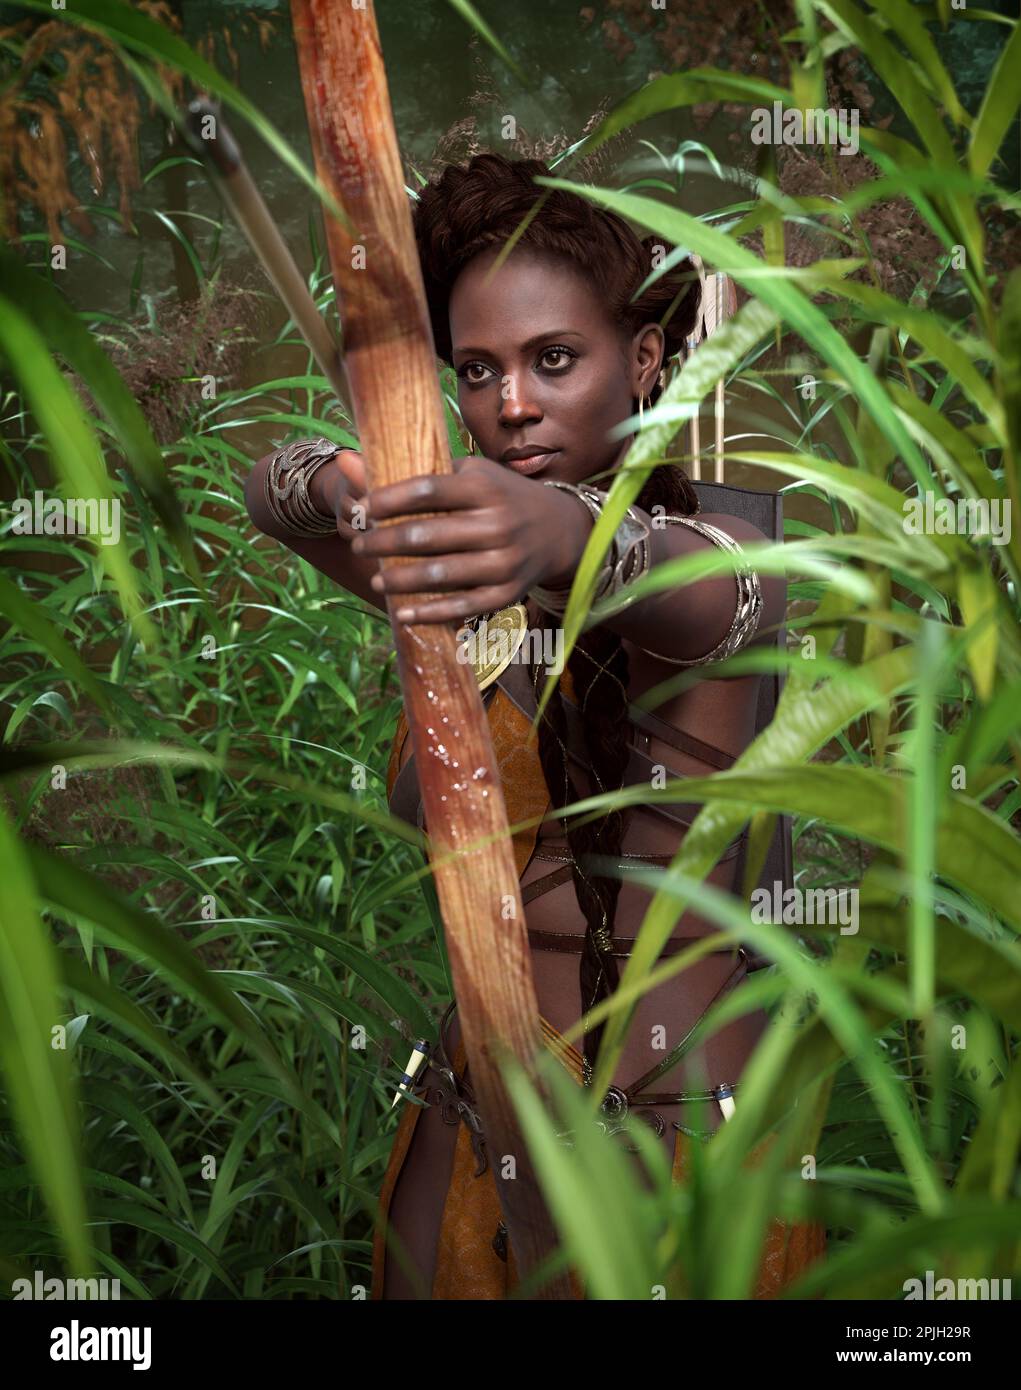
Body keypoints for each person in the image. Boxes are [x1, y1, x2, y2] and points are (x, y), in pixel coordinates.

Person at [244, 152, 826, 1299]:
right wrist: (353, 486)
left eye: (554, 360)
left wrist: (556, 535)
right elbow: (271, 488)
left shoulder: (720, 554)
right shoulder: (462, 561)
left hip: (674, 1153)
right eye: (477, 370)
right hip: (475, 1127)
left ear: (644, 359)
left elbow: (693, 587)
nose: (511, 405)